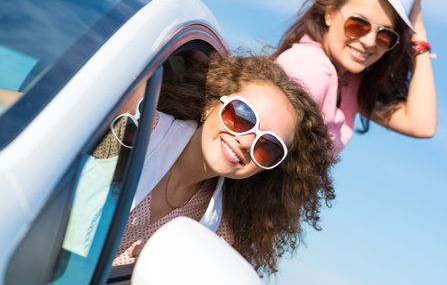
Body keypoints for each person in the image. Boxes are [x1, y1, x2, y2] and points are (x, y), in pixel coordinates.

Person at [112, 53, 336, 276]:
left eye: (268, 146)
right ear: (211, 105)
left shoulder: (220, 234)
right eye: (241, 116)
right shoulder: (133, 132)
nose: (246, 141)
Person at [273, 0, 437, 155]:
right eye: (358, 25)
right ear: (330, 14)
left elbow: (421, 124)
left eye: (384, 36)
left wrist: (419, 32)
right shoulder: (310, 68)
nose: (369, 42)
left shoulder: (350, 83)